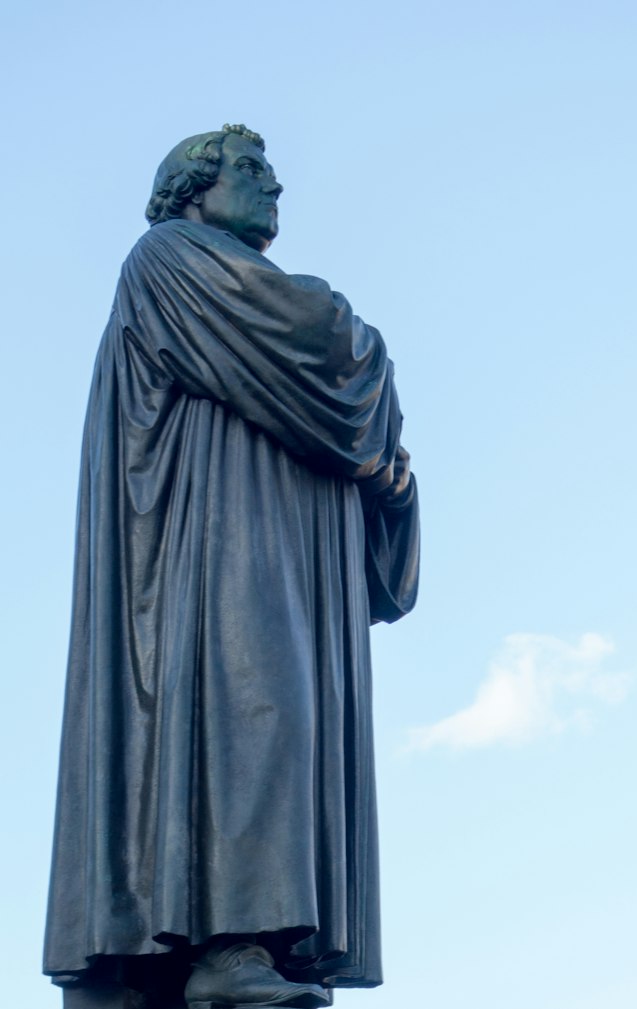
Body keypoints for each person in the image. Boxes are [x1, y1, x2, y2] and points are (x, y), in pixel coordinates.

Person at [43, 124, 419, 1009]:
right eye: (252, 171)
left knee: (282, 720)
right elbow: (322, 342)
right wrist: (373, 392)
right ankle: (227, 942)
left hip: (277, 547)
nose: (275, 187)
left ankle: (253, 942)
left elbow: (344, 406)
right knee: (249, 709)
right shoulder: (170, 258)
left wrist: (383, 463)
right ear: (190, 189)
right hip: (209, 555)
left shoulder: (210, 280)